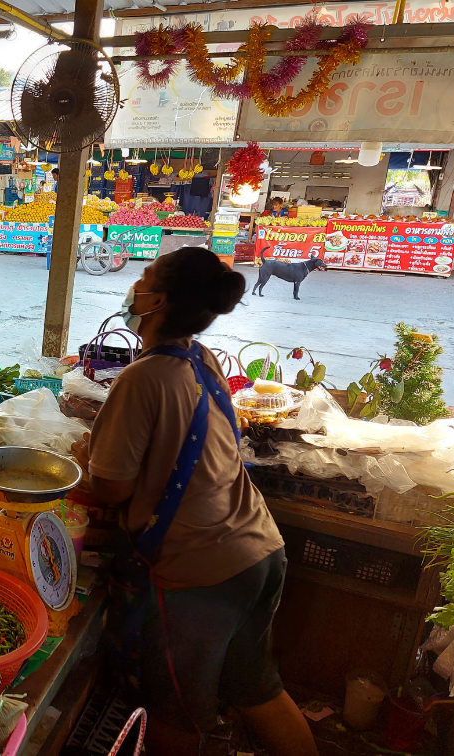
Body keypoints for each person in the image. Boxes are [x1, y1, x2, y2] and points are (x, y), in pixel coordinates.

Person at [70, 247, 316, 756]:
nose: (133, 284)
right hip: (259, 550)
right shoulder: (199, 359)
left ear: (156, 300)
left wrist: (89, 451)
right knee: (258, 691)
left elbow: (112, 487)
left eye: (143, 277)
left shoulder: (143, 377)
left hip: (202, 572)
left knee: (175, 713)